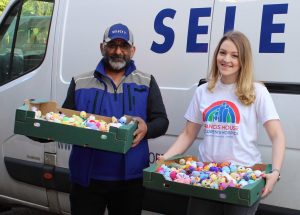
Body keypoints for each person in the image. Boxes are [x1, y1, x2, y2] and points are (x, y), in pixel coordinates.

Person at [161, 31, 285, 215]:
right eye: (222, 53)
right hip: (206, 179)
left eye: (235, 55)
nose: (227, 59)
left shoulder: (257, 91)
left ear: (244, 60)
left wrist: (275, 172)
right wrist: (164, 159)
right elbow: (188, 134)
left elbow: (277, 135)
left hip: (243, 180)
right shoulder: (203, 91)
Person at [62, 23, 169, 215]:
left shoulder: (146, 81)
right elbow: (63, 122)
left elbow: (161, 121)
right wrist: (40, 131)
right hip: (87, 180)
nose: (118, 51)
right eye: (112, 45)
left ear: (132, 50)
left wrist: (147, 129)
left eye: (124, 46)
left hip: (130, 182)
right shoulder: (80, 82)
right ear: (102, 48)